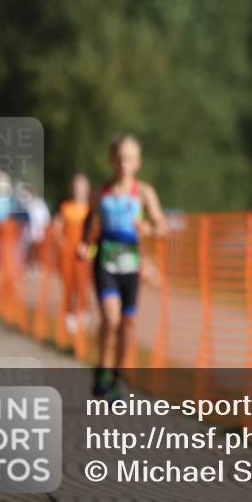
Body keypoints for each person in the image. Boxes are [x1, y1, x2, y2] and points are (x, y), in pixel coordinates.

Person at [78, 136, 166, 401]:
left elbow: (162, 226)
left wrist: (149, 228)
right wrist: (83, 244)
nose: (123, 164)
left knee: (126, 325)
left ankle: (117, 375)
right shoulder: (100, 193)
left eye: (128, 159)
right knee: (110, 318)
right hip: (105, 262)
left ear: (137, 163)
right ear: (111, 160)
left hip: (131, 265)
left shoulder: (144, 193)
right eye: (118, 158)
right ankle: (103, 370)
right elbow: (88, 220)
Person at [54, 173, 91, 336]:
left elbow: (94, 232)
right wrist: (61, 241)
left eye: (81, 186)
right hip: (67, 254)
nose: (78, 190)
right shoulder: (65, 207)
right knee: (69, 285)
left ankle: (83, 313)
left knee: (83, 284)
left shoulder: (90, 209)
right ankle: (69, 314)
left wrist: (90, 248)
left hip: (83, 254)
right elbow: (57, 227)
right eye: (76, 186)